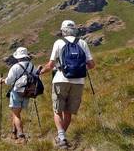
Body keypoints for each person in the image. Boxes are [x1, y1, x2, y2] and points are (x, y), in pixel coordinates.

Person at [40, 20, 95, 149]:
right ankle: (62, 137)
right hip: (78, 81)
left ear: (63, 30)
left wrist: (42, 71)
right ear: (74, 30)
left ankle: (61, 138)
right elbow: (92, 65)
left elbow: (51, 65)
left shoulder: (59, 43)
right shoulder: (82, 43)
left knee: (57, 110)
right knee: (68, 111)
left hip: (60, 79)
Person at [0, 47, 40, 144]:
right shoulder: (31, 66)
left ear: (18, 57)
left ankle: (21, 135)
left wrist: (2, 80)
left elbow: (9, 81)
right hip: (27, 93)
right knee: (16, 113)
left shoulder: (15, 67)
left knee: (16, 114)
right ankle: (14, 133)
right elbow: (36, 77)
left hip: (16, 92)